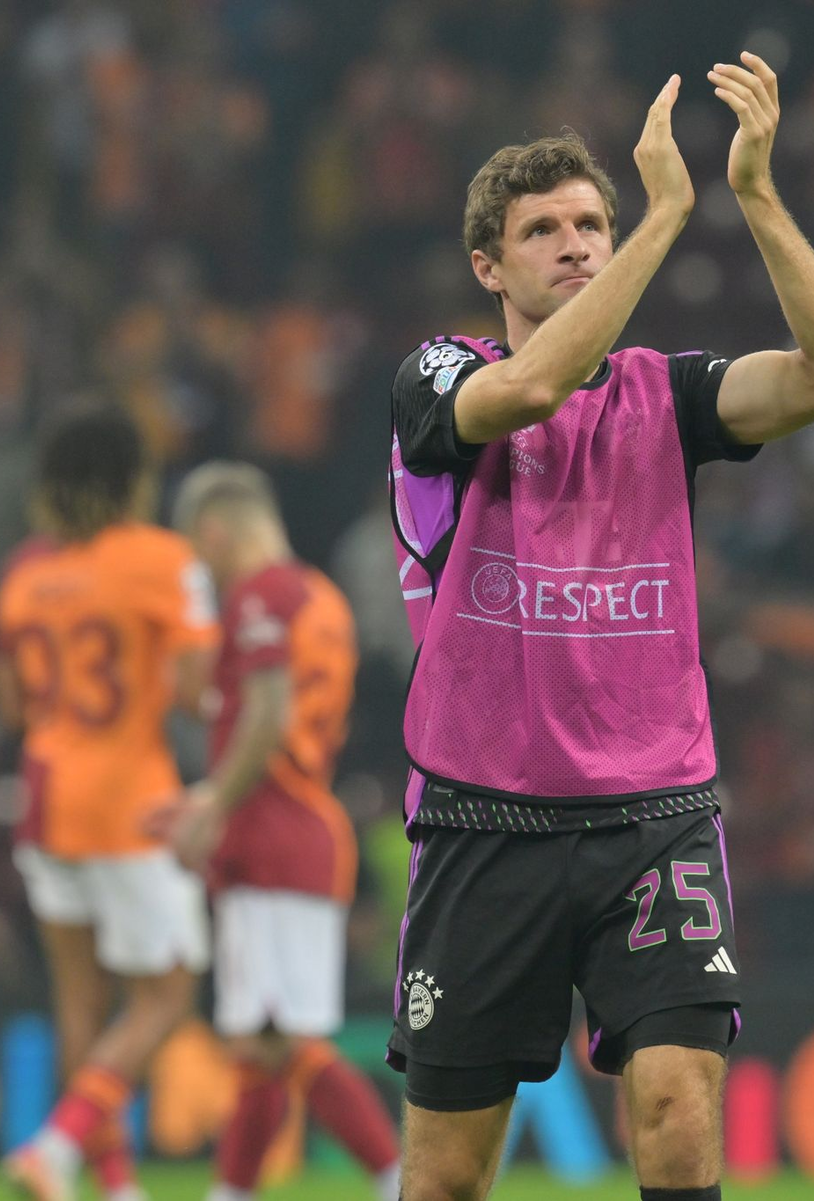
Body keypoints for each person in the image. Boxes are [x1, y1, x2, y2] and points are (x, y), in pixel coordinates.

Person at [387, 53, 813, 1201]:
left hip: (654, 813)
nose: (577, 243)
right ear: (489, 263)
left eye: (592, 222)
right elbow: (526, 393)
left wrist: (758, 196)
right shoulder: (437, 376)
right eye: (545, 231)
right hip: (485, 817)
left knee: (679, 1113)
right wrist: (662, 219)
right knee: (445, 1178)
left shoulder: (664, 393)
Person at [0, 401, 218, 1201]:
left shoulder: (24, 569)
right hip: (131, 802)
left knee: (80, 1001)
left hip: (44, 801)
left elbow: (13, 708)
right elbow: (198, 692)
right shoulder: (161, 557)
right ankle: (56, 1146)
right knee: (167, 993)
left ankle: (115, 1186)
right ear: (134, 479)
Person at [166, 462, 400, 1201]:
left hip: (276, 830)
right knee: (262, 1041)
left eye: (196, 548)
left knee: (287, 1037)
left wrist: (210, 800)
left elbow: (266, 712)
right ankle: (231, 1192)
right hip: (302, 825)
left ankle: (401, 1177)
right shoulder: (323, 597)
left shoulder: (261, 593)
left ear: (213, 530)